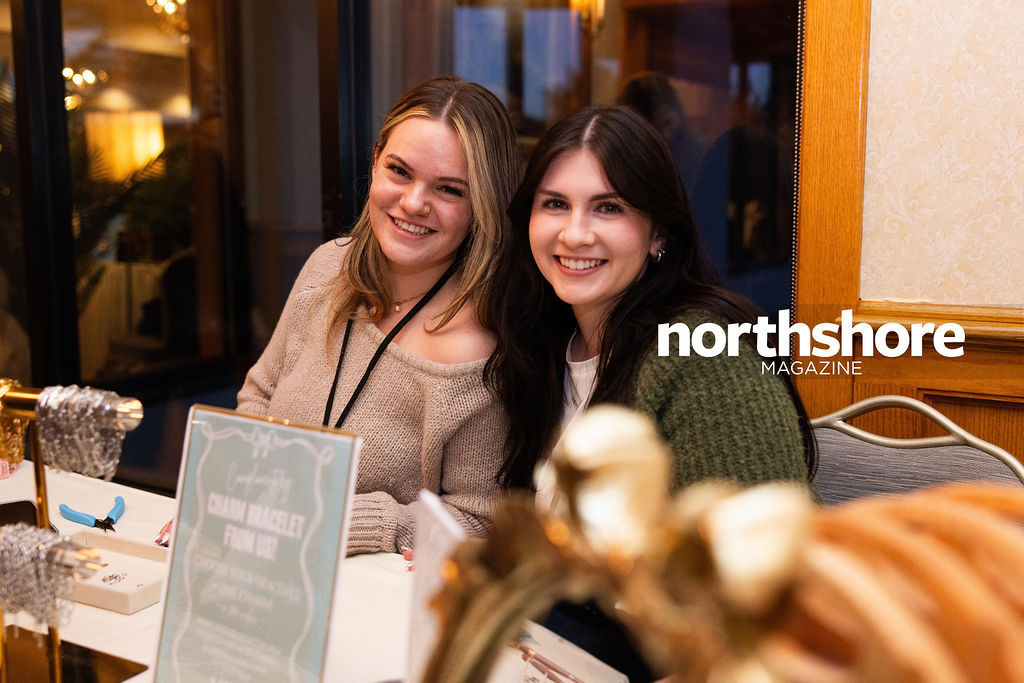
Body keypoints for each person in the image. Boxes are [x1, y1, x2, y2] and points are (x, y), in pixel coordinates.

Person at [484, 105, 815, 680]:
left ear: (658, 232)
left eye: (608, 207)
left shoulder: (704, 355)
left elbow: (767, 614)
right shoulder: (547, 346)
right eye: (555, 203)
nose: (574, 233)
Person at [237, 76, 521, 556]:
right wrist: (231, 497)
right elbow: (259, 395)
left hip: (372, 594)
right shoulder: (327, 265)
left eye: (449, 189)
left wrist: (344, 521)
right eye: (400, 171)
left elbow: (478, 521)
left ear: (483, 205)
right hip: (262, 558)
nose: (413, 203)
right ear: (375, 161)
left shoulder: (483, 350)